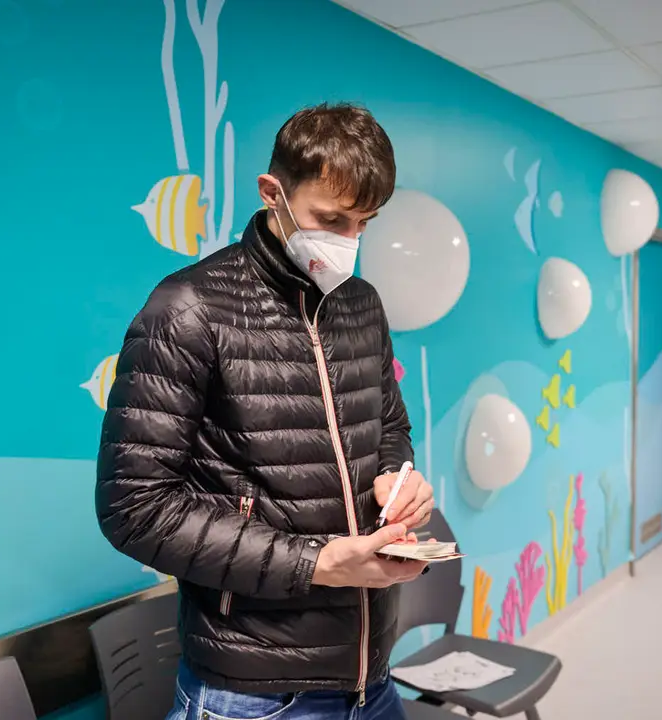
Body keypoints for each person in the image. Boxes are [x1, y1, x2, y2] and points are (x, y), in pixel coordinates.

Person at [96, 103, 436, 720]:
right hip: (253, 695)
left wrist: (396, 475)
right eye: (330, 219)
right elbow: (134, 509)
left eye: (364, 224)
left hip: (370, 679)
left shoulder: (361, 304)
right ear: (272, 192)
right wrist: (316, 564)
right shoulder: (188, 310)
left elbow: (389, 424)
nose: (348, 242)